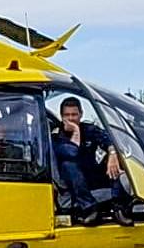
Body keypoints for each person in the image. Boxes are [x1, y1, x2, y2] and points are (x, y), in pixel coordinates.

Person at [51, 96, 132, 226]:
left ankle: (119, 209)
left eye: (74, 115)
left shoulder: (89, 129)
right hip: (73, 180)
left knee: (114, 162)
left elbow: (110, 139)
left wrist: (112, 153)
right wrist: (76, 131)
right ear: (61, 116)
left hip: (91, 173)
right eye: (67, 115)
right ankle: (90, 209)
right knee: (68, 165)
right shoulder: (56, 134)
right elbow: (72, 152)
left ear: (81, 114)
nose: (71, 118)